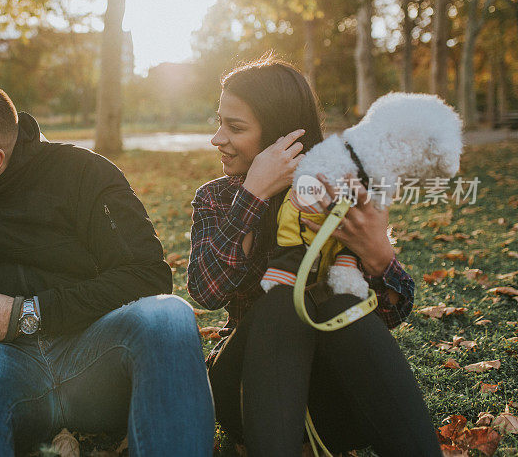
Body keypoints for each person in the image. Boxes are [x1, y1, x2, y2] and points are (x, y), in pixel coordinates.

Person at [0, 80, 214, 456]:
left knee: (168, 315)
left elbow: (149, 275)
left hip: (93, 353)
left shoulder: (85, 174)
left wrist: (26, 313)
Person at [187, 57, 441, 456]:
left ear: (279, 133)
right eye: (218, 122)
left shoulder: (337, 187)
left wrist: (379, 256)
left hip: (335, 402)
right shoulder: (218, 197)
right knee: (285, 300)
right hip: (246, 389)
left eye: (235, 127)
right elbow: (205, 291)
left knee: (343, 302)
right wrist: (252, 197)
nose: (217, 138)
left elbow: (387, 316)